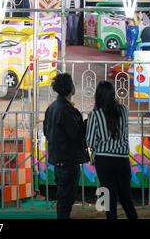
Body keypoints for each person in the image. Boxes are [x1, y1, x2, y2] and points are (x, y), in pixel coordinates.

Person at [86, 81, 138, 219]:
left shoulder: (94, 115)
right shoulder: (124, 110)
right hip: (122, 159)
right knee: (126, 196)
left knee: (108, 196)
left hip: (103, 160)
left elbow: (90, 141)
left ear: (98, 96)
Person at [43, 73, 88, 219]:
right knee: (66, 198)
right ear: (70, 88)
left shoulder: (52, 108)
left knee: (63, 196)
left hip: (58, 159)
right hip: (67, 160)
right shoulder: (66, 110)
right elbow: (76, 134)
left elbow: (46, 131)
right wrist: (89, 121)